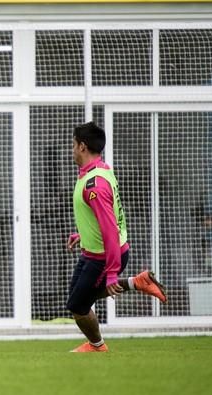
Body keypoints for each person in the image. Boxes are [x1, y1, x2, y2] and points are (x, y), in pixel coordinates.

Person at [66, 121, 167, 353]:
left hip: (104, 256)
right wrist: (83, 234)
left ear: (82, 147)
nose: (71, 150)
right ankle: (137, 282)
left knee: (78, 305)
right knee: (78, 296)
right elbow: (102, 218)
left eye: (73, 145)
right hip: (96, 252)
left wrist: (112, 273)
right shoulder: (100, 171)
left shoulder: (95, 184)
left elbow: (110, 229)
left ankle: (97, 347)